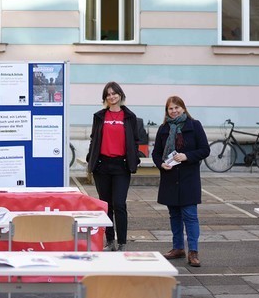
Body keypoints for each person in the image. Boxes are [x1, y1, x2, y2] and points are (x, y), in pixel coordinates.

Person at [152, 96, 209, 267]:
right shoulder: (163, 128)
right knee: (174, 215)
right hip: (170, 178)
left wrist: (187, 156)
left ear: (183, 108)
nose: (174, 111)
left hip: (188, 178)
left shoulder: (195, 125)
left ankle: (193, 252)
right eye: (170, 108)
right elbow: (156, 153)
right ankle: (178, 248)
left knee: (190, 216)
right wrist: (161, 164)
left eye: (177, 107)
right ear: (166, 111)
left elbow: (205, 149)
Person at [86, 81, 140, 251]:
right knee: (106, 205)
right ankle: (110, 241)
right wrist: (91, 159)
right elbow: (94, 139)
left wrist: (134, 158)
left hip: (121, 166)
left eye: (114, 93)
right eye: (108, 94)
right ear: (105, 98)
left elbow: (135, 140)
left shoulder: (130, 117)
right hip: (102, 166)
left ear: (120, 95)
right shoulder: (99, 116)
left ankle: (122, 242)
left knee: (119, 204)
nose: (111, 96)